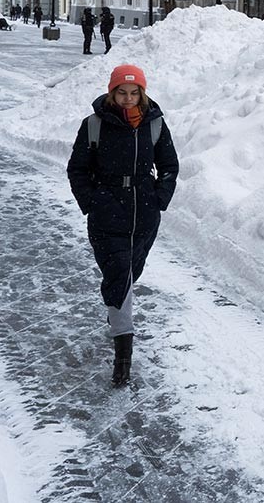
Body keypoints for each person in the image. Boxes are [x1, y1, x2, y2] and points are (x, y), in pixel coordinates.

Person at [66, 65, 179, 388]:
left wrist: (159, 198)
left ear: (142, 94)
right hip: (106, 214)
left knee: (129, 274)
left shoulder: (155, 124)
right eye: (121, 92)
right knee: (120, 278)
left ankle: (116, 314)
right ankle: (123, 359)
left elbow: (169, 165)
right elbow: (77, 169)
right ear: (112, 92)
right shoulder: (94, 125)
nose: (128, 98)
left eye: (134, 93)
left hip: (144, 214)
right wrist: (92, 202)